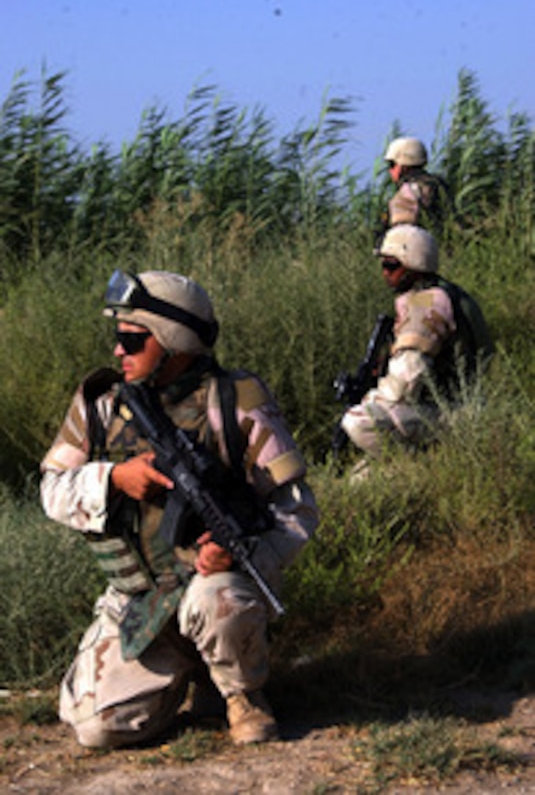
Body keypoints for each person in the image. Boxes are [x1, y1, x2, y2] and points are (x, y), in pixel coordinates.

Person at [40, 269, 319, 749]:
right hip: (141, 599)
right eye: (118, 339)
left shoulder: (234, 400)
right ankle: (184, 675)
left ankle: (241, 692)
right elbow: (51, 489)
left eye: (131, 340)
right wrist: (113, 480)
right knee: (95, 728)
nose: (117, 352)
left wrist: (242, 554)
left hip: (213, 588)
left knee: (217, 600)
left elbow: (297, 510)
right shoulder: (102, 407)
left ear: (173, 340)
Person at [341, 224, 494, 464]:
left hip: (453, 412)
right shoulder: (449, 294)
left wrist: (372, 396)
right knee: (361, 478)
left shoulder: (425, 304)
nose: (384, 272)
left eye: (391, 265)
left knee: (359, 420)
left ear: (412, 264)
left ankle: (418, 469)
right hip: (465, 406)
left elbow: (407, 379)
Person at [379, 137, 453, 239]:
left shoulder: (407, 192)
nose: (389, 170)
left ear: (403, 165)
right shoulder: (439, 184)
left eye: (392, 164)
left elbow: (401, 233)